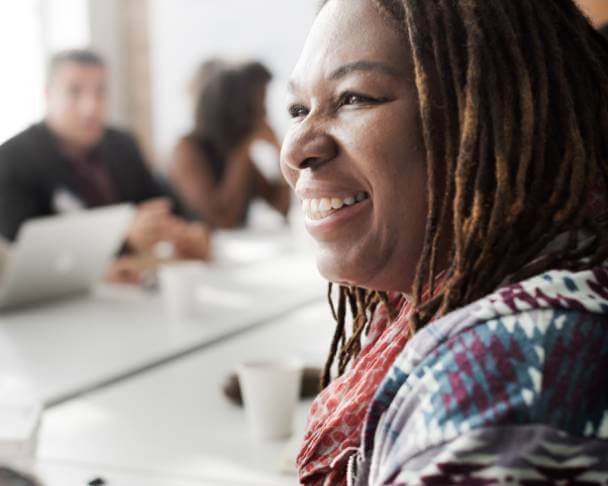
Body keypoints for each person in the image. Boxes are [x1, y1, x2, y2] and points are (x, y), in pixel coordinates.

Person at [280, 0, 608, 484]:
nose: (296, 149)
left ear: (496, 114)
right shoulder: (419, 307)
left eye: (354, 98)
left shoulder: (514, 374)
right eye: (298, 109)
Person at [0, 49, 210, 282]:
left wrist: (191, 231)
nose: (91, 107)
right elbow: (21, 253)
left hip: (134, 294)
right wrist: (120, 238)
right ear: (48, 95)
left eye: (100, 92)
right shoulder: (12, 158)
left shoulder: (123, 144)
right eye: (74, 92)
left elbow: (167, 203)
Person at [169, 61, 291, 228]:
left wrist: (280, 151)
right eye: (259, 107)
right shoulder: (186, 149)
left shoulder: (238, 153)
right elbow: (222, 220)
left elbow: (283, 207)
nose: (265, 115)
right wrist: (242, 152)